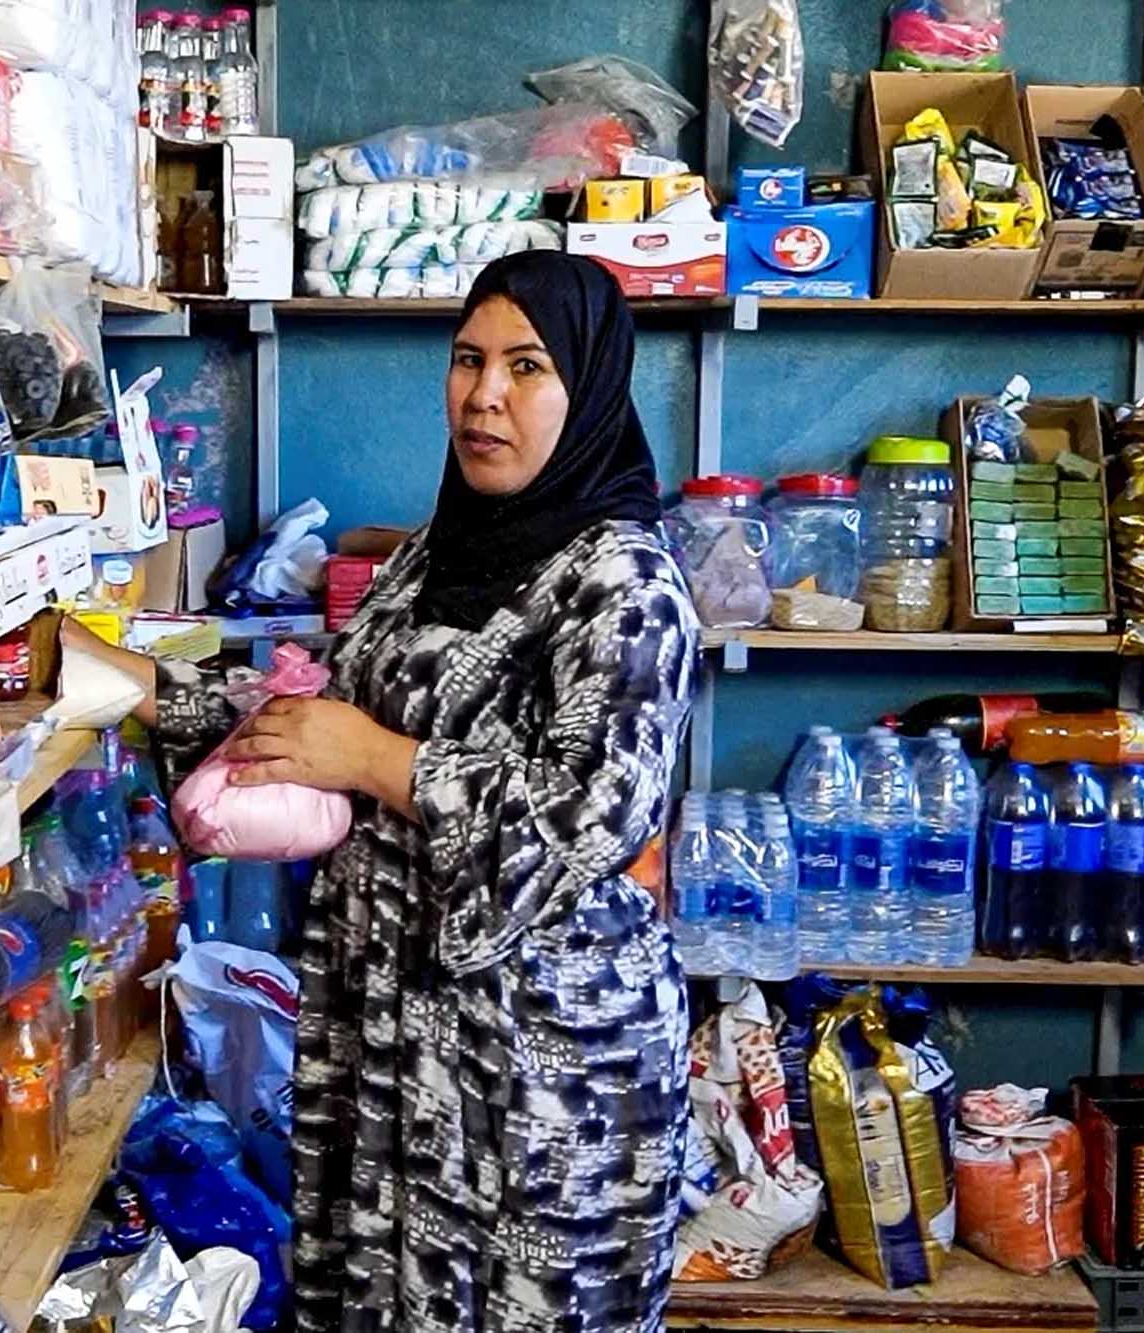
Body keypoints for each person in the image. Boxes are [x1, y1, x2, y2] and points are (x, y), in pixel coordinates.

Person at [54, 250, 700, 1332]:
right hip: (389, 1038)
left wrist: (372, 761)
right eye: (466, 360)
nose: (483, 395)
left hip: (534, 1076)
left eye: (526, 367)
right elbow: (316, 704)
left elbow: (583, 823)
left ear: (587, 391)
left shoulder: (624, 584)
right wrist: (122, 686)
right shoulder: (427, 557)